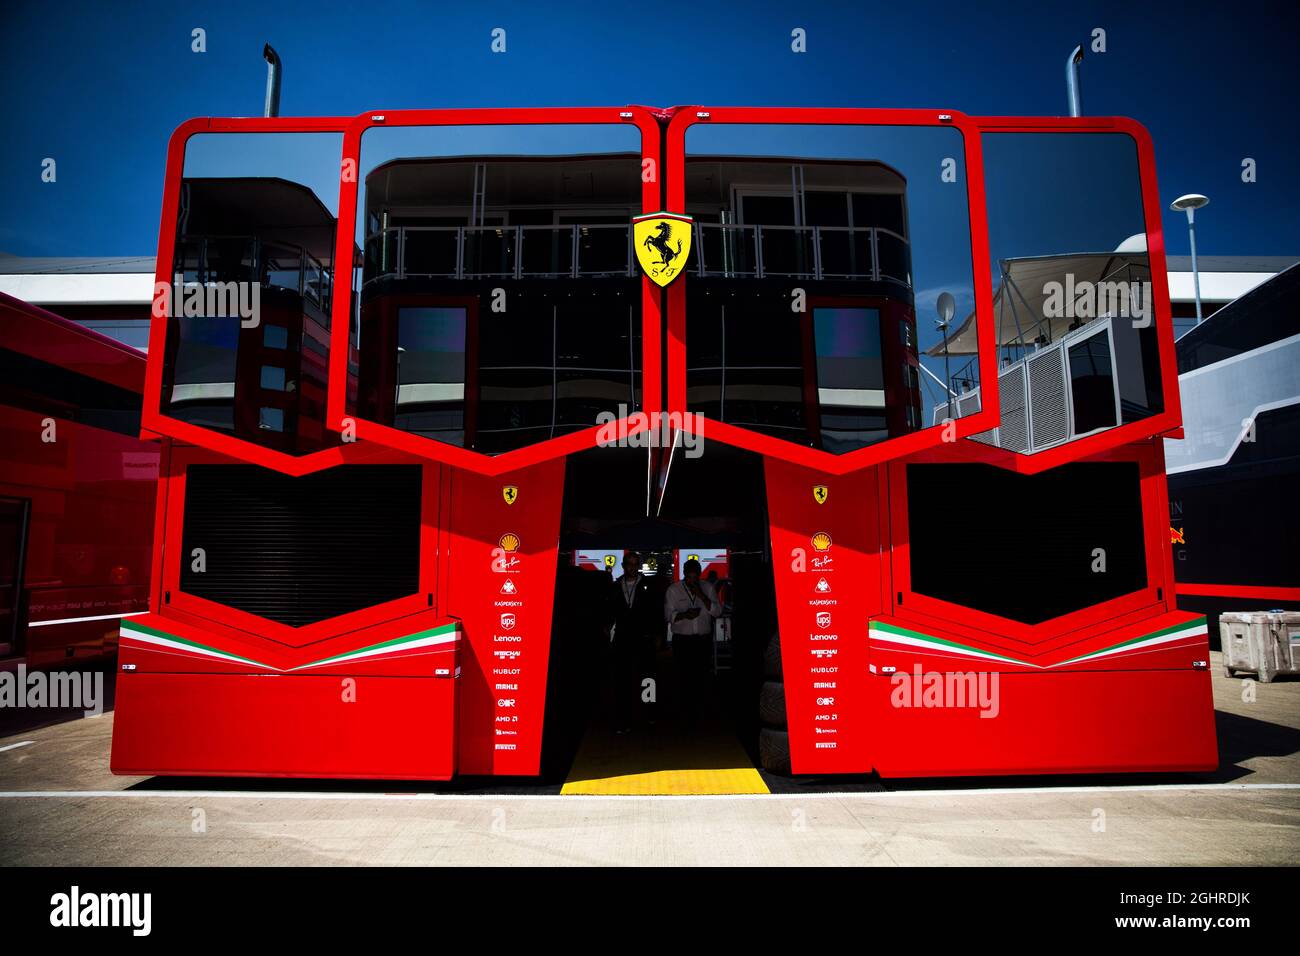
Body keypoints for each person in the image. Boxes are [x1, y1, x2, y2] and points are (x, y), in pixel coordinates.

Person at [663, 558, 722, 728]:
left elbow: (717, 612)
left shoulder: (707, 588)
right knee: (683, 676)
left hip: (702, 640)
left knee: (701, 675)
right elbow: (667, 615)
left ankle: (700, 712)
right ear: (684, 575)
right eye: (689, 578)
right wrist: (684, 615)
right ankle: (684, 712)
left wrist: (702, 596)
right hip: (682, 640)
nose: (692, 581)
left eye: (695, 577)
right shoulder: (673, 590)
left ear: (699, 575)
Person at [606, 551, 657, 735]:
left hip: (644, 638)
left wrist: (656, 635)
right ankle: (623, 718)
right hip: (623, 638)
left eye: (636, 564)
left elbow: (655, 612)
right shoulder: (614, 587)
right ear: (623, 565)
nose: (633, 567)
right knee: (622, 680)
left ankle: (650, 714)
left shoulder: (648, 585)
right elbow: (609, 612)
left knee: (648, 679)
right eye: (629, 564)